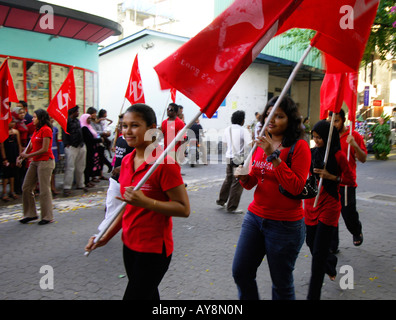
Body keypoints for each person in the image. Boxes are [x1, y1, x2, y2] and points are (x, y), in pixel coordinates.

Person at [85, 104, 190, 300]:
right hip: (130, 245)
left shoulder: (164, 164)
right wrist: (105, 237)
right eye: (124, 126)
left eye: (134, 125)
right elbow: (125, 209)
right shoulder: (126, 161)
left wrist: (147, 202)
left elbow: (184, 209)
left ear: (151, 128)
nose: (127, 131)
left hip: (153, 250)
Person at [232, 96, 310, 300]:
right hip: (255, 218)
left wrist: (273, 156)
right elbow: (252, 183)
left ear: (291, 120)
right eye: (269, 114)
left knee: (281, 284)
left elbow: (296, 187)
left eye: (279, 116)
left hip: (285, 224)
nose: (272, 119)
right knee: (241, 272)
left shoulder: (299, 147)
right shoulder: (261, 143)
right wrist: (243, 176)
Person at [304, 120, 354, 300]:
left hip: (330, 204)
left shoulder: (338, 155)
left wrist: (330, 176)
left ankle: (313, 295)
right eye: (314, 137)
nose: (316, 141)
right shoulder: (311, 153)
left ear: (328, 137)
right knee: (311, 243)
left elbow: (350, 180)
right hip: (311, 205)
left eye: (319, 138)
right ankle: (330, 261)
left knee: (318, 255)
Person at [329, 109, 367, 249]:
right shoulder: (329, 136)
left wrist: (355, 145)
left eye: (336, 121)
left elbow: (363, 159)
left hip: (347, 181)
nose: (333, 124)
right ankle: (333, 245)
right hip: (330, 180)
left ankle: (356, 231)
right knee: (331, 214)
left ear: (343, 120)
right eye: (331, 121)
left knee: (348, 213)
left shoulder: (354, 135)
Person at [17, 109, 55, 225]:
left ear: (41, 118)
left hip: (45, 161)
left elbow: (44, 149)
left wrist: (28, 155)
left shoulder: (46, 130)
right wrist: (22, 157)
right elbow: (30, 145)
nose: (32, 119)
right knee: (26, 187)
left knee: (44, 190)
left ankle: (47, 216)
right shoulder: (36, 130)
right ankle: (30, 214)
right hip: (35, 161)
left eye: (34, 117)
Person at [98, 113, 134, 232]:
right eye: (121, 125)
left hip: (128, 181)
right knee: (111, 207)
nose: (121, 127)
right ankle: (103, 232)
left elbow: (139, 160)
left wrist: (122, 167)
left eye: (125, 125)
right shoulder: (119, 139)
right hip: (115, 180)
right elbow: (117, 158)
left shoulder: (134, 142)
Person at [216, 110, 252, 213]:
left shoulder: (228, 129)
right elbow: (250, 144)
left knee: (228, 179)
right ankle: (232, 207)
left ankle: (221, 200)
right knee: (237, 182)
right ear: (242, 120)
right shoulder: (243, 130)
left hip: (229, 156)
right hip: (238, 157)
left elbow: (225, 143)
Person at [62, 106, 87, 196]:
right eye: (77, 111)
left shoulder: (77, 121)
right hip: (71, 146)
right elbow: (64, 133)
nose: (78, 113)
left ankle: (80, 184)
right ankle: (67, 187)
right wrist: (67, 143)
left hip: (80, 145)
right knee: (70, 167)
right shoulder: (66, 121)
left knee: (80, 166)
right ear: (73, 112)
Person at [0, 119, 22, 201]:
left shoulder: (16, 132)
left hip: (14, 154)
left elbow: (19, 144)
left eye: (13, 122)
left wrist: (20, 155)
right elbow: (2, 146)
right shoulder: (2, 132)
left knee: (13, 173)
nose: (12, 124)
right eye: (11, 122)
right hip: (7, 154)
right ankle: (4, 192)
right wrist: (4, 158)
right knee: (6, 174)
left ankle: (12, 191)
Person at [80, 113, 102, 187]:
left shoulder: (89, 127)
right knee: (87, 164)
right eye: (88, 118)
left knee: (91, 164)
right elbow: (89, 139)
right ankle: (86, 181)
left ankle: (89, 179)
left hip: (93, 148)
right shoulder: (84, 128)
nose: (89, 120)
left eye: (90, 118)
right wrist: (99, 140)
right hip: (88, 148)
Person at [50, 117, 60, 195]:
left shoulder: (55, 129)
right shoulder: (44, 129)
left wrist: (58, 153)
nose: (52, 120)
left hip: (54, 151)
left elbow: (56, 141)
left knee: (53, 171)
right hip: (47, 152)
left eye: (52, 118)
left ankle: (53, 187)